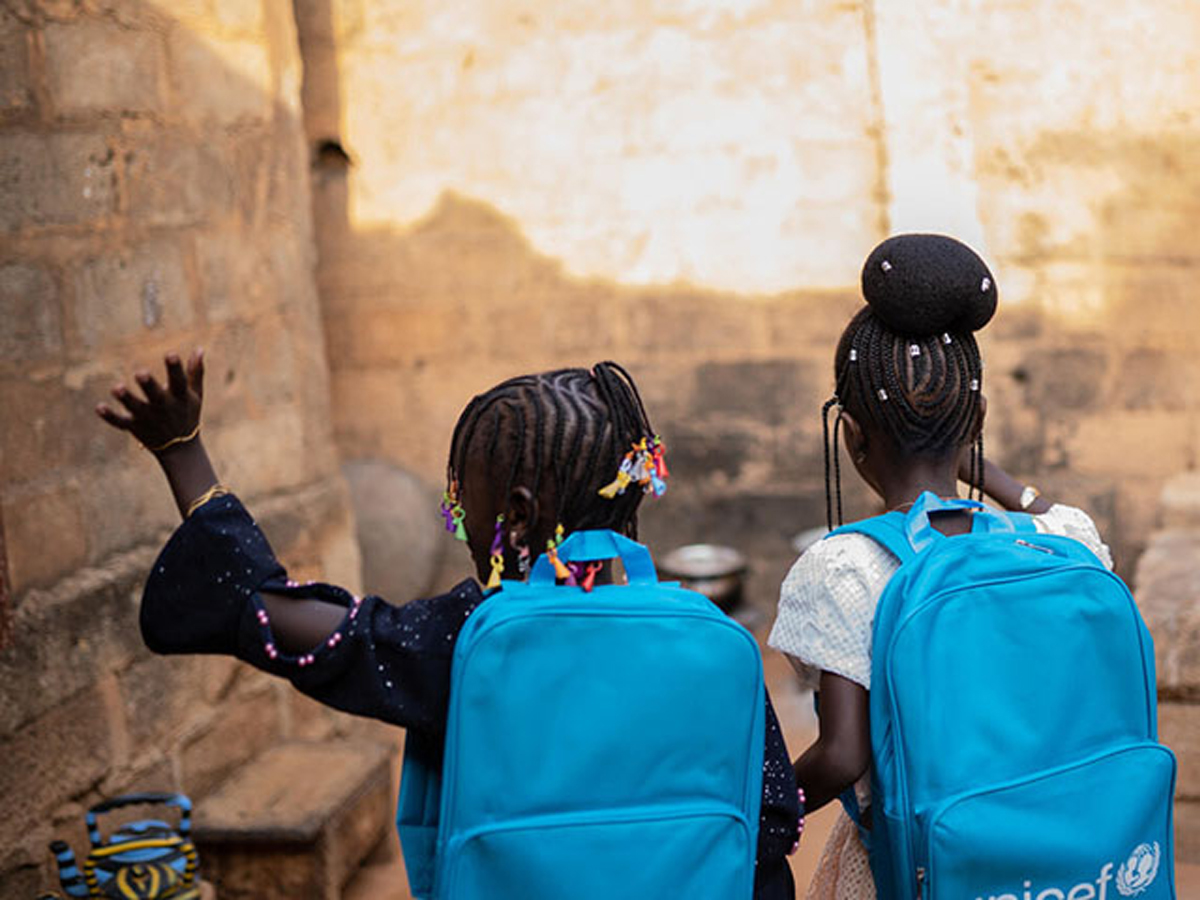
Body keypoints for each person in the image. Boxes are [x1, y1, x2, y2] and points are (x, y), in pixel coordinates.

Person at [96, 353, 801, 899]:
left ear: (517, 515)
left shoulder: (466, 639)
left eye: (463, 502)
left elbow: (263, 609)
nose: (459, 523)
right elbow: (769, 827)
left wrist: (183, 452)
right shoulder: (709, 639)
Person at [767, 234, 1113, 899]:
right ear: (977, 422)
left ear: (851, 435)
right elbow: (1066, 518)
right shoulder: (1058, 539)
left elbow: (842, 755)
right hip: (1062, 855)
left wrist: (765, 815)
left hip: (922, 864)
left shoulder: (847, 566)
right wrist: (990, 475)